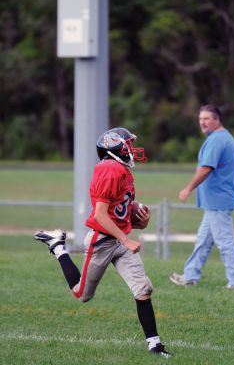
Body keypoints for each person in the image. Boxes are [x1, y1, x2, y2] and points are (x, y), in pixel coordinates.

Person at [34, 127, 171, 358]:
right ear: (115, 147)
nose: (132, 148)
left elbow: (118, 214)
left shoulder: (123, 171)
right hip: (102, 241)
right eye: (127, 144)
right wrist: (126, 239)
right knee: (82, 294)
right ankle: (58, 246)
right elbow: (99, 215)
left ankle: (155, 346)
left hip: (119, 240)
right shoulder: (108, 169)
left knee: (143, 289)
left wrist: (139, 224)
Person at [170, 105, 234, 289]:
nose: (202, 122)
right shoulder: (221, 137)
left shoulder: (217, 140)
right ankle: (190, 276)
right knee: (203, 241)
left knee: (225, 243)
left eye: (206, 118)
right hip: (214, 202)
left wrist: (188, 188)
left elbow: (206, 169)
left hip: (218, 201)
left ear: (217, 119)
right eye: (200, 119)